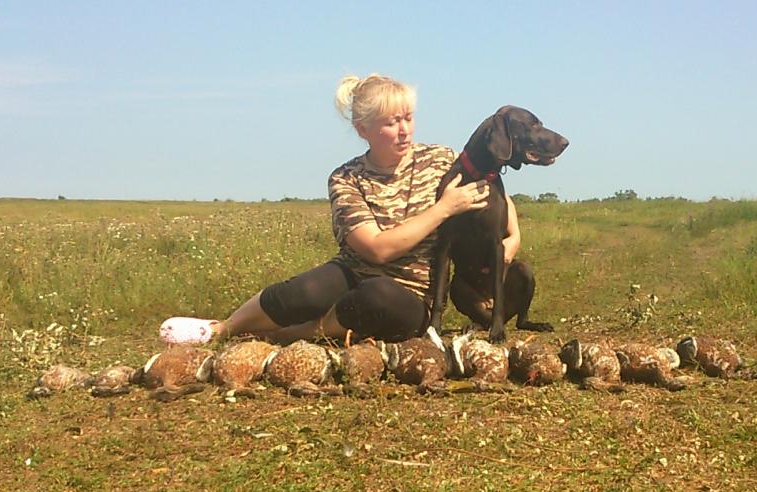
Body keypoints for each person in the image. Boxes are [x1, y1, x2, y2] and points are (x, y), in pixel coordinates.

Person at [161, 73, 519, 346]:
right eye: (391, 122)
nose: (404, 130)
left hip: (410, 293)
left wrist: (512, 237)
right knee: (300, 293)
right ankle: (222, 329)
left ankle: (296, 335)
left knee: (376, 298)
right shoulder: (346, 178)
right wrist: (442, 210)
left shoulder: (442, 159)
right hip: (354, 270)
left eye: (408, 118)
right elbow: (377, 250)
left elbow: (493, 194)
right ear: (363, 129)